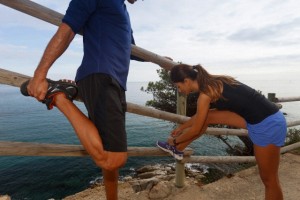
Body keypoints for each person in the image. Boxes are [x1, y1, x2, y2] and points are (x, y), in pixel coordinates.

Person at [21, 0, 144, 199]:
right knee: (114, 159)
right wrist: (40, 75)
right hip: (100, 76)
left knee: (110, 148)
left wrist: (157, 59)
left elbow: (130, 48)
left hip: (116, 83)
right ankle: (58, 96)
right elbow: (67, 30)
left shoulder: (122, 9)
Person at [157, 64, 287, 200]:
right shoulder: (213, 82)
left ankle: (175, 146)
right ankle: (178, 149)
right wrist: (181, 128)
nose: (180, 90)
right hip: (256, 119)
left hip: (268, 125)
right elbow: (203, 116)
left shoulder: (205, 94)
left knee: (269, 180)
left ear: (187, 81)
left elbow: (196, 129)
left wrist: (176, 140)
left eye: (178, 86)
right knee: (209, 116)